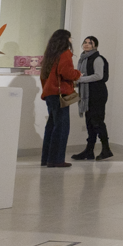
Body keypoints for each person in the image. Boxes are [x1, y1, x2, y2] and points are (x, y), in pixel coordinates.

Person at [40, 29, 81, 168]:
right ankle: (56, 160)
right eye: (70, 38)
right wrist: (78, 74)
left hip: (50, 94)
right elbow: (67, 72)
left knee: (51, 126)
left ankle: (46, 158)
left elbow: (44, 76)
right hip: (60, 95)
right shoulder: (65, 53)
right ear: (65, 40)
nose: (71, 40)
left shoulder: (49, 54)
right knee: (62, 127)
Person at [71, 36, 112, 161]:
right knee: (89, 122)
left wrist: (80, 79)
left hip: (97, 94)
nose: (87, 44)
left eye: (90, 43)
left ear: (95, 46)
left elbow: (99, 76)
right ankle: (89, 151)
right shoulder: (83, 59)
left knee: (97, 121)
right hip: (87, 95)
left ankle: (106, 149)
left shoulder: (98, 58)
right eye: (85, 42)